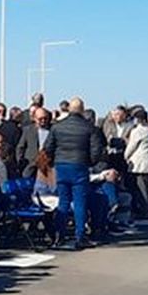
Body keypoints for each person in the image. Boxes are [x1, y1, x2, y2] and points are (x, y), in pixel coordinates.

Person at [51, 97, 106, 249]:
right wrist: (89, 162)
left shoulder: (57, 127)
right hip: (79, 165)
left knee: (63, 202)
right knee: (80, 202)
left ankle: (59, 236)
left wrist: (54, 161)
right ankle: (80, 236)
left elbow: (48, 147)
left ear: (69, 109)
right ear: (82, 109)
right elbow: (96, 150)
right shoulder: (89, 127)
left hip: (61, 166)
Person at [124, 109, 148, 206]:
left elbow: (132, 146)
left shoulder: (138, 131)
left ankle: (144, 210)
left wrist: (125, 156)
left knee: (141, 189)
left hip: (139, 164)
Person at [16, 107, 56, 177]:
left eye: (45, 118)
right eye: (40, 119)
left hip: (48, 165)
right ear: (35, 118)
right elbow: (20, 147)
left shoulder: (53, 130)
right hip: (30, 165)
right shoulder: (28, 130)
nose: (43, 121)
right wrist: (20, 162)